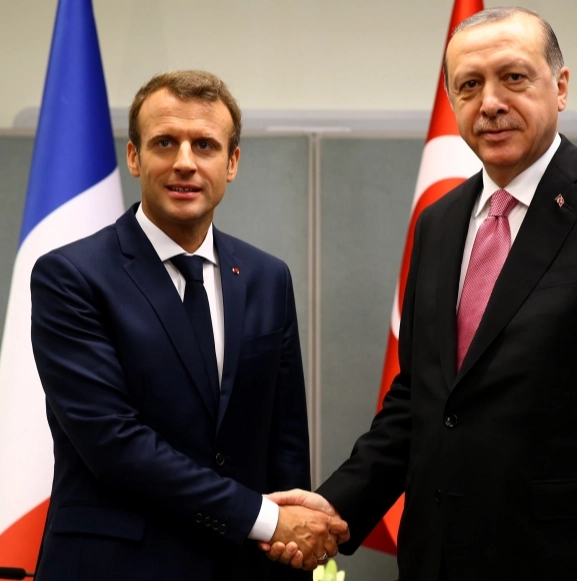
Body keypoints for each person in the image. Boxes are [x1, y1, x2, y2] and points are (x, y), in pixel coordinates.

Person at [264, 7, 577, 581]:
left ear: (561, 87)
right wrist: (337, 505)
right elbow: (422, 400)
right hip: (438, 559)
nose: (490, 102)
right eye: (469, 85)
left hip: (572, 563)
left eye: (513, 77)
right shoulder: (439, 222)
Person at [30, 70, 347, 581]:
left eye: (204, 145)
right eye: (164, 142)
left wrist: (292, 546)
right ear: (134, 157)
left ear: (232, 162)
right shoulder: (71, 276)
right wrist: (267, 520)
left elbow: (284, 443)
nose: (185, 162)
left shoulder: (268, 277)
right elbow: (113, 442)